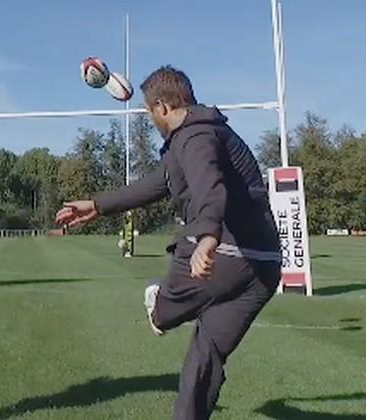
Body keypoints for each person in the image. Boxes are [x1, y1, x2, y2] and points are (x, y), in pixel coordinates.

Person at [55, 66, 281, 420]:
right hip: (264, 267)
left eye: (148, 111)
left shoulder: (194, 137)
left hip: (224, 253)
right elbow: (157, 183)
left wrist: (208, 237)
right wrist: (98, 206)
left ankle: (161, 302)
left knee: (162, 313)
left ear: (162, 107)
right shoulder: (205, 134)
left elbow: (211, 186)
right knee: (205, 357)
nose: (149, 118)